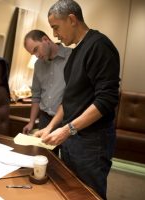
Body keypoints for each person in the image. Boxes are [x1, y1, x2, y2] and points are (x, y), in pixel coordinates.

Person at [34, 1, 120, 199]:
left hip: (92, 140)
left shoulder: (99, 46)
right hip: (73, 135)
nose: (54, 35)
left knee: (89, 193)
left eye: (56, 27)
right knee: (72, 189)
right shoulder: (75, 53)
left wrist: (67, 130)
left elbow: (106, 100)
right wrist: (51, 127)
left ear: (72, 19)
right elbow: (70, 98)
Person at [22, 30, 71, 147]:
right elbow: (36, 96)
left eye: (36, 49)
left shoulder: (72, 57)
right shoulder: (38, 65)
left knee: (65, 159)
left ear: (45, 40)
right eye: (33, 54)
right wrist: (31, 122)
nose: (37, 55)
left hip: (66, 120)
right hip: (44, 119)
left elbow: (71, 97)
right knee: (44, 157)